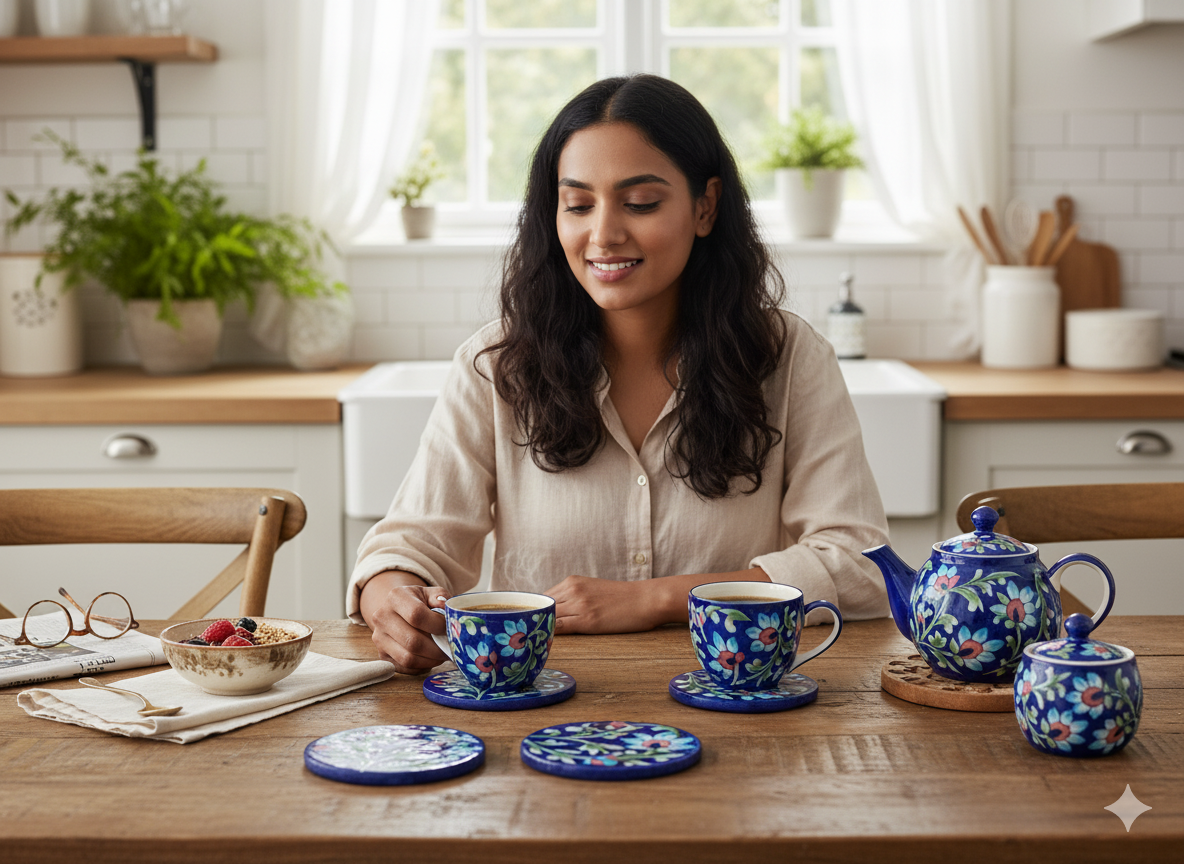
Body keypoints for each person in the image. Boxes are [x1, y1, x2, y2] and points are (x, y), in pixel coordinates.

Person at [350, 74, 889, 674]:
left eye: (640, 204)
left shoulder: (789, 358)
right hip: (542, 723)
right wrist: (392, 599)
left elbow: (861, 563)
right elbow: (408, 546)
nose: (603, 234)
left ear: (705, 206)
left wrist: (655, 599)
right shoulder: (497, 367)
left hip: (742, 719)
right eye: (578, 204)